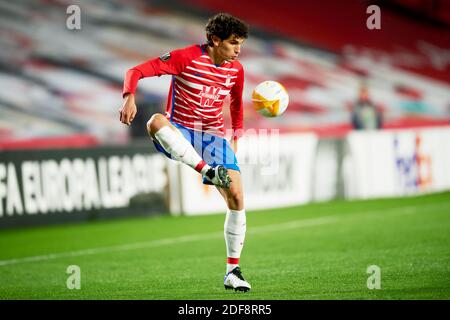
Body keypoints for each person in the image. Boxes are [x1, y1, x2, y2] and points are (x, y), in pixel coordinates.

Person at [119, 13, 251, 292]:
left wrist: (236, 135)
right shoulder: (186, 57)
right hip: (181, 130)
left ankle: (233, 272)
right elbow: (136, 71)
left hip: (213, 136)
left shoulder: (236, 69)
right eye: (233, 43)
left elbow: (236, 103)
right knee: (155, 121)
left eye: (240, 44)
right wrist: (129, 97)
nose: (238, 50)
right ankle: (206, 171)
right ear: (215, 40)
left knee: (237, 195)